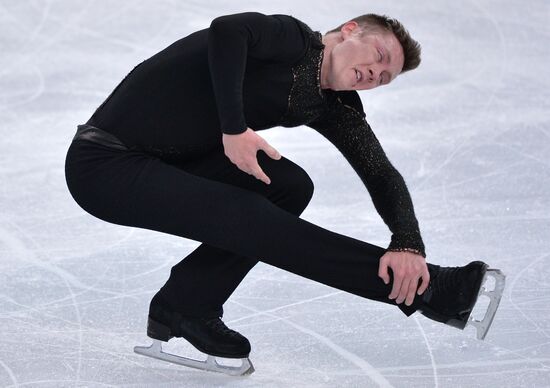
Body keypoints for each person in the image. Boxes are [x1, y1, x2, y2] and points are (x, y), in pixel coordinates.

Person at [64, 11, 504, 375]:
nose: (376, 73)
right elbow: (227, 30)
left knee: (289, 188)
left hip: (167, 159)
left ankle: (185, 305)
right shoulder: (292, 40)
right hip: (105, 163)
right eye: (379, 55)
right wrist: (234, 128)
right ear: (349, 30)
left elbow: (381, 173)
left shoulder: (335, 105)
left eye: (385, 77)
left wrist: (408, 243)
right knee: (248, 214)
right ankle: (431, 293)